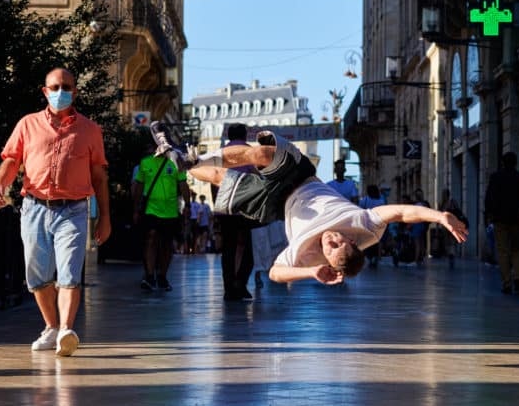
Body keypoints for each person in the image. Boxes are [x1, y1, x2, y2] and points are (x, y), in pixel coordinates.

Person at [150, 122, 468, 284]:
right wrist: (439, 216)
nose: (332, 236)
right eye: (340, 239)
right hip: (301, 175)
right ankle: (193, 156)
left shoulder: (306, 255)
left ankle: (179, 161)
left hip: (276, 203)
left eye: (331, 245)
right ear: (354, 242)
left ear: (328, 261)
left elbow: (276, 272)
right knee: (262, 154)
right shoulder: (366, 228)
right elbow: (401, 211)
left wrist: (310, 272)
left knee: (223, 180)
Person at [0, 67, 111, 357]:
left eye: (66, 87)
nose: (60, 92)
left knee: (69, 271)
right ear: (45, 91)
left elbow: (99, 177)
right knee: (37, 276)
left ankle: (67, 330)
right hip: (34, 207)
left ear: (75, 91)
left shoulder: (90, 130)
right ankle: (52, 327)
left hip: (74, 210)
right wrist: (0, 185)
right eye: (55, 87)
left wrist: (105, 217)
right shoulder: (27, 124)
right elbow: (11, 160)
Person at [132, 140, 190, 291]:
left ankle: (162, 276)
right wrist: (136, 209)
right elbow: (138, 186)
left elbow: (183, 185)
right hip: (151, 209)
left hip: (170, 211)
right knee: (151, 238)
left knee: (166, 244)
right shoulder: (145, 163)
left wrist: (188, 205)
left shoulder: (176, 164)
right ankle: (150, 275)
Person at [217, 123, 258, 301]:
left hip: (225, 205)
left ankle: (228, 288)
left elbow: (214, 180)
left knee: (229, 248)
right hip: (245, 206)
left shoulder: (220, 153)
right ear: (245, 135)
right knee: (248, 247)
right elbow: (258, 179)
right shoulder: (250, 152)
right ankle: (240, 284)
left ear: (228, 135)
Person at [484, 151, 519, 294]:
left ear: (502, 162)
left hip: (500, 219)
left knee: (503, 251)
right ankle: (517, 276)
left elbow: (489, 198)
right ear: (515, 163)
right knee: (518, 250)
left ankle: (506, 283)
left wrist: (489, 215)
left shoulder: (495, 178)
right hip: (518, 219)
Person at [358, 184, 386, 266]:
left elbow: (360, 210)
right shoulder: (381, 200)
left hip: (368, 223)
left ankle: (370, 257)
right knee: (378, 240)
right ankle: (377, 256)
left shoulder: (365, 200)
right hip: (379, 223)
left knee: (369, 240)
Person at [438, 189, 464, 267]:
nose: (443, 196)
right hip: (446, 225)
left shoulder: (451, 202)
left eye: (444, 194)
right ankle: (451, 254)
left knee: (451, 241)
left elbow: (458, 212)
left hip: (451, 224)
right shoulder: (443, 203)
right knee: (448, 241)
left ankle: (451, 255)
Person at [410, 188, 431, 266]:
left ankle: (416, 260)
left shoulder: (417, 204)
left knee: (417, 243)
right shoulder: (425, 204)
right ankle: (421, 259)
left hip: (417, 225)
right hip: (422, 225)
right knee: (421, 242)